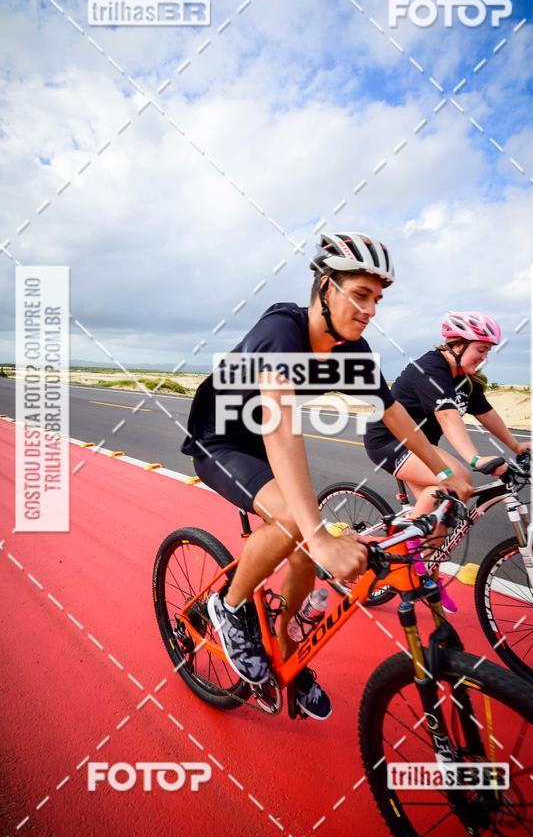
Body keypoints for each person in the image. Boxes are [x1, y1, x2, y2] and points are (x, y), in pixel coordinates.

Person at [181, 234, 472, 720]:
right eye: (361, 294)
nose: (371, 309)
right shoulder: (282, 330)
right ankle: (229, 609)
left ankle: (284, 646)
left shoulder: (351, 350)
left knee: (300, 546)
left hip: (261, 444)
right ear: (324, 288)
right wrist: (318, 535)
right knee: (300, 522)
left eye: (377, 299)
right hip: (222, 441)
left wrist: (446, 469)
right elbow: (278, 426)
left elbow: (394, 413)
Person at [364, 311, 531, 611]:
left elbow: (487, 415)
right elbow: (446, 415)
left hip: (422, 447)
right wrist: (474, 458)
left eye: (487, 352)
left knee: (444, 511)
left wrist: (516, 446)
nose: (484, 357)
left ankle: (425, 571)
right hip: (389, 441)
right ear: (457, 345)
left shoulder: (466, 381)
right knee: (458, 476)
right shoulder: (430, 368)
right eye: (481, 350)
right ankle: (406, 551)